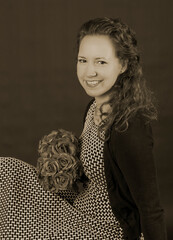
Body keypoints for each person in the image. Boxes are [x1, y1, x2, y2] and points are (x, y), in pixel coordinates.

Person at [0, 17, 167, 240]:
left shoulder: (129, 125)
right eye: (83, 60)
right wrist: (65, 159)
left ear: (124, 64)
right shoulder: (93, 108)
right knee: (7, 171)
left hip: (103, 229)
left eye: (101, 62)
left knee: (13, 227)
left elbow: (151, 207)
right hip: (79, 205)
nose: (89, 72)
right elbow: (97, 172)